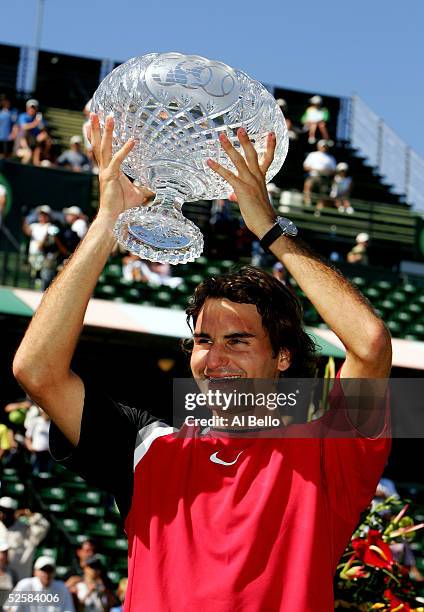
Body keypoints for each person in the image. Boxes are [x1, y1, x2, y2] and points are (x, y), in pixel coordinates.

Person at [13, 115, 392, 611]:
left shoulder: (328, 451)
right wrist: (108, 225)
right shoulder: (149, 448)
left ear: (282, 356)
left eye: (237, 341)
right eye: (202, 341)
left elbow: (369, 344)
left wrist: (269, 227)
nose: (214, 359)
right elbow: (35, 371)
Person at [0, 498, 50, 582]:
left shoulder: (26, 529)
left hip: (20, 580)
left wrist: (30, 514)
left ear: (13, 512)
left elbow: (43, 527)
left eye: (6, 511)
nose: (2, 513)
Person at [4, 555, 75, 612]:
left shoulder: (62, 588)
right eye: (43, 570)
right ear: (35, 572)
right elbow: (10, 609)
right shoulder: (24, 585)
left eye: (50, 570)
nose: (47, 574)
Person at [303, 139, 336, 213]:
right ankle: (308, 204)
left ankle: (318, 210)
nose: (324, 148)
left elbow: (333, 170)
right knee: (308, 185)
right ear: (318, 146)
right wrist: (316, 170)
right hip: (313, 176)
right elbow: (305, 167)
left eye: (325, 146)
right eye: (322, 146)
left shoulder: (331, 158)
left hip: (324, 178)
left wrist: (325, 171)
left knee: (323, 193)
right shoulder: (312, 155)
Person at [15, 100, 45, 165]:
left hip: (33, 143)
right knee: (28, 153)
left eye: (33, 108)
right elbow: (24, 127)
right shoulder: (23, 116)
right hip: (20, 148)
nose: (31, 110)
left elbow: (43, 130)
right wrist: (36, 123)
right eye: (30, 108)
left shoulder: (38, 118)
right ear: (27, 108)